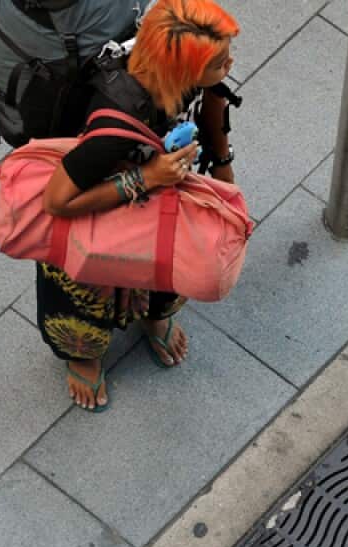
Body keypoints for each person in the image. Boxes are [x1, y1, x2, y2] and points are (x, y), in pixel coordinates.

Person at [40, 0, 240, 412]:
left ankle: (154, 312)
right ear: (181, 71)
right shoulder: (112, 126)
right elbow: (57, 201)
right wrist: (146, 179)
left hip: (166, 192)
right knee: (86, 292)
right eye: (220, 61)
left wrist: (222, 165)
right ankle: (84, 353)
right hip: (102, 207)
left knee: (167, 264)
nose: (230, 64)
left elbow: (214, 99)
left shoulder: (180, 75)